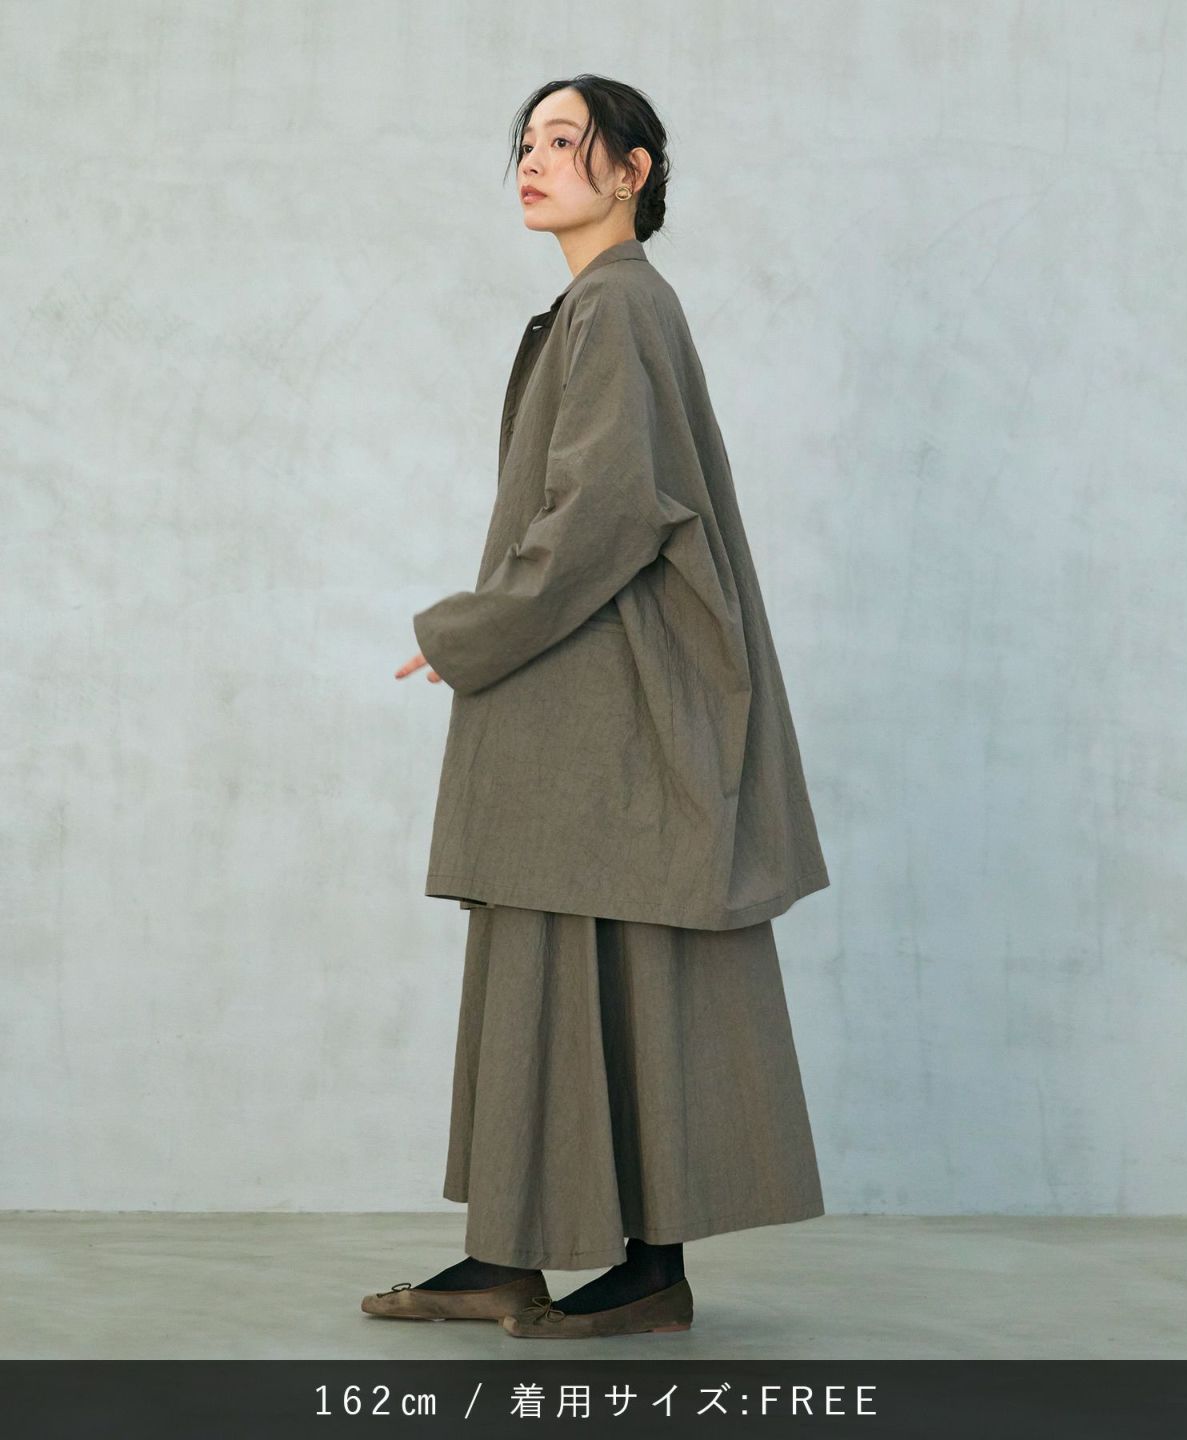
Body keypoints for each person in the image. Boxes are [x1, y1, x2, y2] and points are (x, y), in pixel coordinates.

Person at [367, 74, 830, 1341]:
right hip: (579, 692)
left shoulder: (618, 305)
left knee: (611, 959)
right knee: (543, 960)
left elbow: (610, 512)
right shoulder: (596, 306)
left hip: (605, 696)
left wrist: (469, 631)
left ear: (632, 171)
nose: (533, 160)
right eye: (525, 142)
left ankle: (649, 1266)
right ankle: (506, 1256)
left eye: (564, 141)